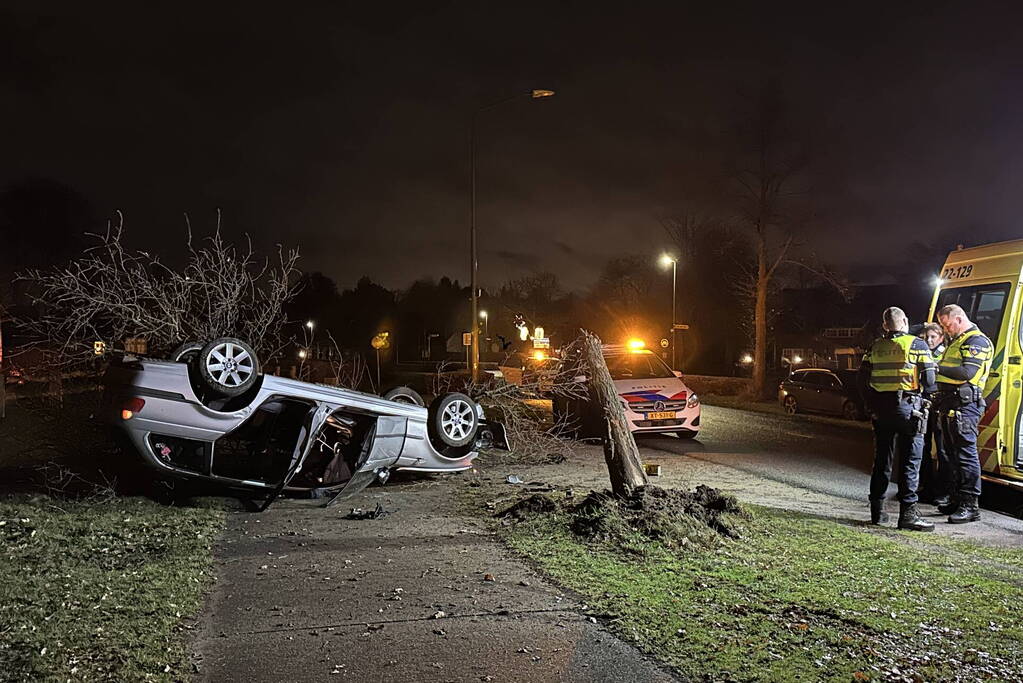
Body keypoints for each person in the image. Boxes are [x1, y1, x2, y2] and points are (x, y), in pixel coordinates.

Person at [859, 306, 936, 531]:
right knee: (910, 462)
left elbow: (861, 379)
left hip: (881, 410)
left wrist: (869, 405)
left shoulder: (874, 347)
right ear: (905, 320)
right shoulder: (917, 344)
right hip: (909, 409)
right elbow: (930, 380)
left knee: (882, 460)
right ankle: (908, 515)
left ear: (885, 325)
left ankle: (877, 513)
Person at [933, 304, 993, 524]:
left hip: (965, 406)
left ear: (958, 319)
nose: (945, 329)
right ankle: (957, 499)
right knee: (952, 455)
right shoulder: (957, 342)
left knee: (966, 456)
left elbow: (968, 372)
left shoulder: (976, 341)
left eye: (947, 324)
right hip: (950, 403)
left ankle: (970, 506)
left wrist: (935, 367)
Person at [917, 322, 950, 504]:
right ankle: (926, 488)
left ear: (941, 338)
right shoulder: (923, 352)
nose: (929, 340)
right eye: (926, 337)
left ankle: (944, 492)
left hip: (939, 404)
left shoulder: (945, 354)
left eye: (933, 337)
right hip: (925, 404)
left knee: (943, 450)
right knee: (923, 449)